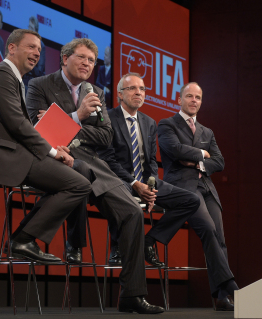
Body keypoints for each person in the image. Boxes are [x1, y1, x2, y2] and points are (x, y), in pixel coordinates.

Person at [26, 38, 164, 314]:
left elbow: (105, 136)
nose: (88, 64)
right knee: (77, 173)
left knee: (132, 212)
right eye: (82, 58)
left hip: (93, 162)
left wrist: (62, 121)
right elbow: (36, 129)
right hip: (55, 158)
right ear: (64, 58)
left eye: (92, 60)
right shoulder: (39, 85)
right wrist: (77, 115)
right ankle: (53, 241)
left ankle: (131, 295)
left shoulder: (96, 91)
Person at [0, 29, 92, 265]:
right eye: (31, 47)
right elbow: (17, 124)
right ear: (11, 48)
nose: (36, 53)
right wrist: (51, 152)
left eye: (39, 50)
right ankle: (23, 239)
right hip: (1, 155)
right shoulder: (0, 75)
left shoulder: (14, 79)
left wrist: (54, 150)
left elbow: (22, 126)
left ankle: (22, 239)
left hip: (15, 152)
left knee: (73, 179)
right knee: (78, 184)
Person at [97, 73, 200, 268]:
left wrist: (151, 186)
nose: (139, 92)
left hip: (145, 180)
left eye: (142, 89)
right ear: (119, 94)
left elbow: (151, 160)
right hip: (120, 180)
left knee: (191, 201)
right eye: (132, 88)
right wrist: (135, 184)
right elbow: (107, 160)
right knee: (123, 199)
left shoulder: (150, 122)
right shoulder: (109, 119)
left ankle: (149, 241)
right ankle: (117, 247)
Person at [158, 82, 238, 311]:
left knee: (220, 238)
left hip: (207, 186)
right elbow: (174, 150)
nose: (194, 101)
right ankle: (230, 284)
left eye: (198, 97)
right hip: (183, 187)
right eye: (190, 96)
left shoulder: (207, 131)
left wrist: (197, 161)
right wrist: (203, 153)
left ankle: (222, 297)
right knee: (208, 230)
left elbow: (219, 161)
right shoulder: (167, 124)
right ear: (179, 99)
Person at [23, 16, 46, 93]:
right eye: (29, 27)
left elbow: (39, 72)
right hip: (23, 78)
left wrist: (27, 61)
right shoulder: (24, 43)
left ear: (36, 31)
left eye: (31, 28)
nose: (29, 30)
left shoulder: (41, 46)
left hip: (33, 82)